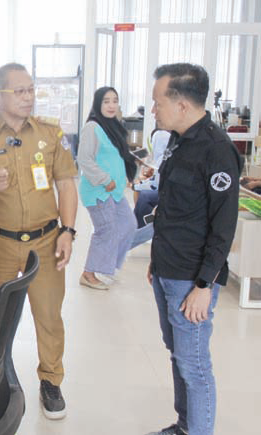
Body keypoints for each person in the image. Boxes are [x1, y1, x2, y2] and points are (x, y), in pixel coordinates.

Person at [0, 62, 78, 420]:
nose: (29, 97)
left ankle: (50, 381)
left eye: (31, 90)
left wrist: (68, 232)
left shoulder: (50, 133)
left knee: (49, 314)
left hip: (44, 241)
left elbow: (67, 184)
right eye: (20, 91)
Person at [146, 63, 242, 435]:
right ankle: (185, 426)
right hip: (168, 270)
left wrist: (204, 286)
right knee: (178, 357)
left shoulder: (217, 150)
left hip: (192, 281)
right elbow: (173, 207)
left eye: (158, 102)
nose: (153, 109)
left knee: (195, 366)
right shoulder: (177, 140)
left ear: (182, 104)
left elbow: (223, 226)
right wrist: (156, 260)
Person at [77, 87, 138, 290]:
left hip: (115, 190)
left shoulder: (113, 127)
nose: (111, 105)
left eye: (115, 101)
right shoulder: (92, 127)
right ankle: (89, 273)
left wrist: (124, 178)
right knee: (107, 230)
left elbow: (116, 157)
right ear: (97, 104)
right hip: (99, 190)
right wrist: (105, 179)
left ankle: (108, 266)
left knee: (129, 224)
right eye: (106, 101)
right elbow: (84, 159)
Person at [133, 127, 171, 228]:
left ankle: (140, 225)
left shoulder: (164, 159)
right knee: (141, 180)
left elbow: (155, 185)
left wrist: (135, 186)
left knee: (144, 194)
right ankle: (138, 220)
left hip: (166, 191)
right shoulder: (162, 155)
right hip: (161, 186)